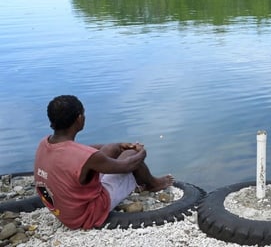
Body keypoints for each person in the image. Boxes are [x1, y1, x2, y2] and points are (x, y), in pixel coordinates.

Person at [34, 95, 174, 229]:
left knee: (111, 148)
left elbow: (83, 151)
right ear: (79, 119)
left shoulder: (44, 143)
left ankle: (138, 178)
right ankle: (153, 184)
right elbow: (127, 166)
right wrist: (141, 153)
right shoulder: (87, 157)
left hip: (64, 210)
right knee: (130, 154)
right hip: (85, 214)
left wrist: (117, 146)